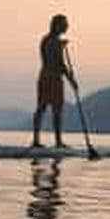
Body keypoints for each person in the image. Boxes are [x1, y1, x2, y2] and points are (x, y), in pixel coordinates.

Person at [31, 14, 76, 149]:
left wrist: (60, 47)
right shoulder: (53, 41)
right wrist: (71, 80)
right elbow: (59, 63)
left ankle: (37, 140)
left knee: (42, 108)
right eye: (65, 24)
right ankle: (57, 142)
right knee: (53, 109)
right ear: (57, 25)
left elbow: (53, 58)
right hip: (52, 78)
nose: (67, 26)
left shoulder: (47, 40)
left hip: (45, 76)